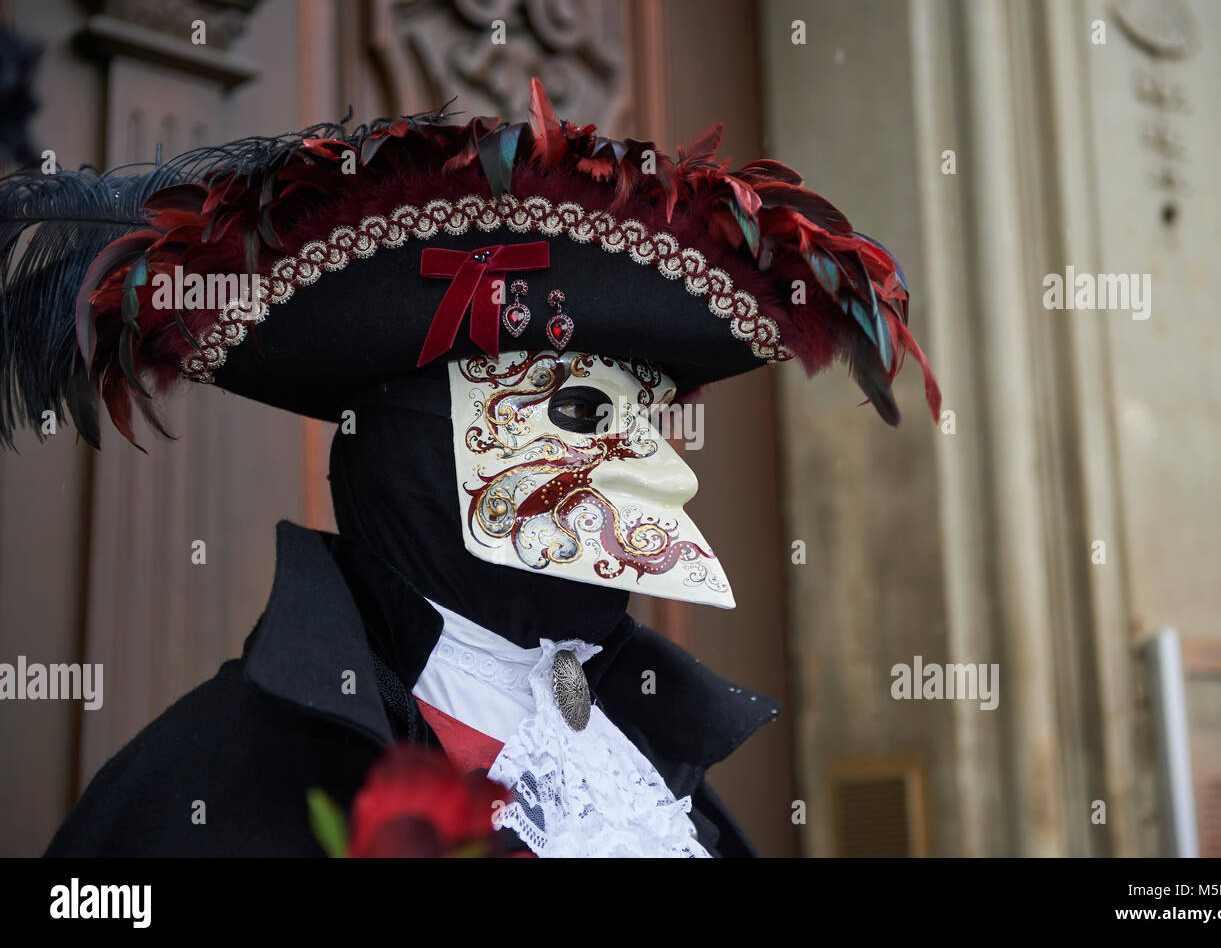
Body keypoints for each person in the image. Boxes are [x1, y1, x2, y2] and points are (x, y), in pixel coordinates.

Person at [1, 80, 939, 857]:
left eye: (654, 419)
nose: (671, 474)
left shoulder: (647, 767)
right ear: (417, 454)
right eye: (585, 414)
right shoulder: (206, 791)